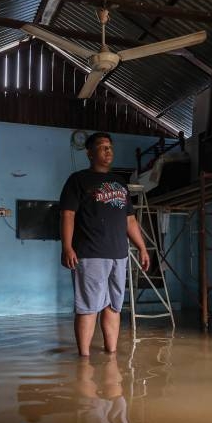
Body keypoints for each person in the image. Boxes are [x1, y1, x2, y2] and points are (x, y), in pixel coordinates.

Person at [59, 133, 150, 356]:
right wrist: (67, 247)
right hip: (90, 253)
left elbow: (129, 220)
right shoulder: (77, 180)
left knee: (114, 306)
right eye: (102, 147)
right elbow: (67, 215)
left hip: (119, 254)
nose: (108, 151)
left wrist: (142, 247)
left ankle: (111, 355)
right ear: (90, 154)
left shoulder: (120, 183)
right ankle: (84, 359)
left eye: (110, 147)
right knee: (88, 308)